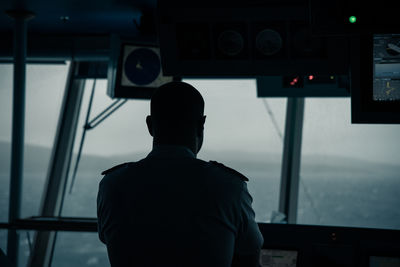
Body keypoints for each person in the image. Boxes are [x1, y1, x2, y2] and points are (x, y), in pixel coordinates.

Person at [97, 81, 263, 267]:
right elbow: (250, 252)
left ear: (150, 125)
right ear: (201, 125)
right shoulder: (230, 187)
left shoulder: (112, 186)